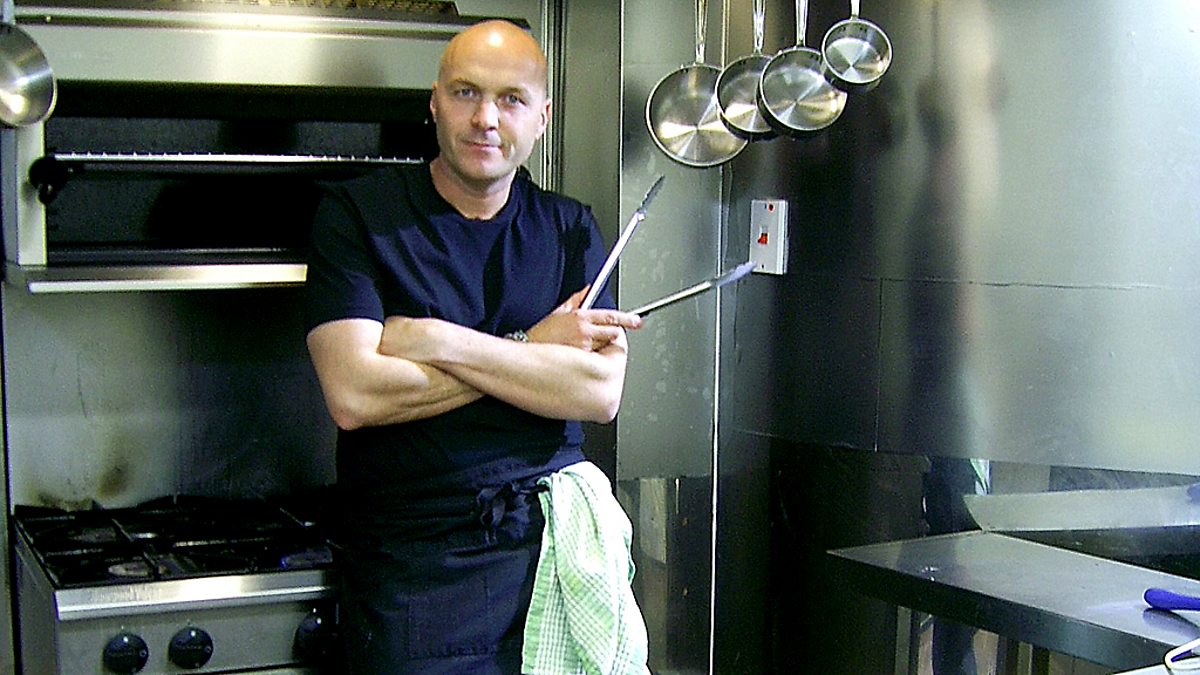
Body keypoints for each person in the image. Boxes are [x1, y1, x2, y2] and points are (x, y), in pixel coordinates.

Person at [303, 18, 648, 674]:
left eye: (511, 99)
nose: (486, 118)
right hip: (413, 571)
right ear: (434, 102)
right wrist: (534, 346)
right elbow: (353, 394)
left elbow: (598, 392)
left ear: (542, 118)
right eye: (466, 93)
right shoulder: (359, 215)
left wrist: (433, 340)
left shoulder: (570, 228)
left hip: (550, 559)